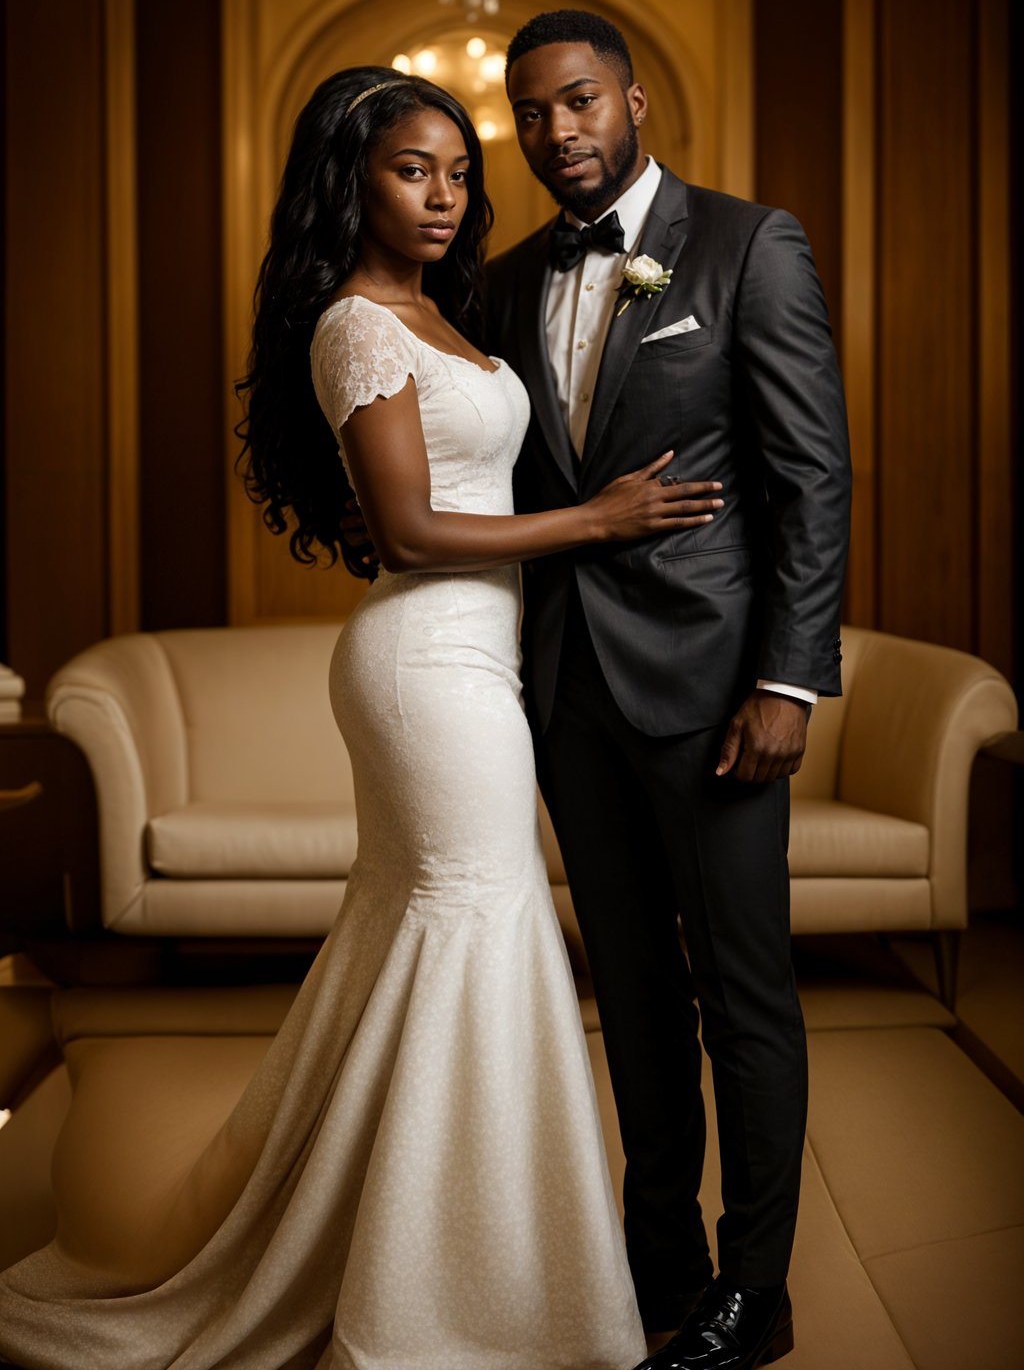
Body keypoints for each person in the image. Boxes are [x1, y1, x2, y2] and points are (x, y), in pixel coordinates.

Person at [0, 67, 726, 1370]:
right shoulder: (354, 325)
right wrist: (600, 521)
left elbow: (426, 491)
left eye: (457, 172)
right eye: (411, 171)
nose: (444, 196)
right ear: (352, 180)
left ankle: (450, 1270)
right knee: (480, 929)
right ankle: (440, 1309)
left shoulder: (441, 312)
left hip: (472, 658)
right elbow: (402, 528)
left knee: (440, 940)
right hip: (426, 671)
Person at [485, 11, 852, 1370]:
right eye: (530, 114)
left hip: (718, 697)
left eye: (578, 103)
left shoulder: (750, 245)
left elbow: (811, 477)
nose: (557, 133)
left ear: (634, 100)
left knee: (746, 998)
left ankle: (758, 1292)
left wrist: (789, 681)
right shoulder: (511, 278)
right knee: (633, 997)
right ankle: (661, 1265)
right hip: (570, 697)